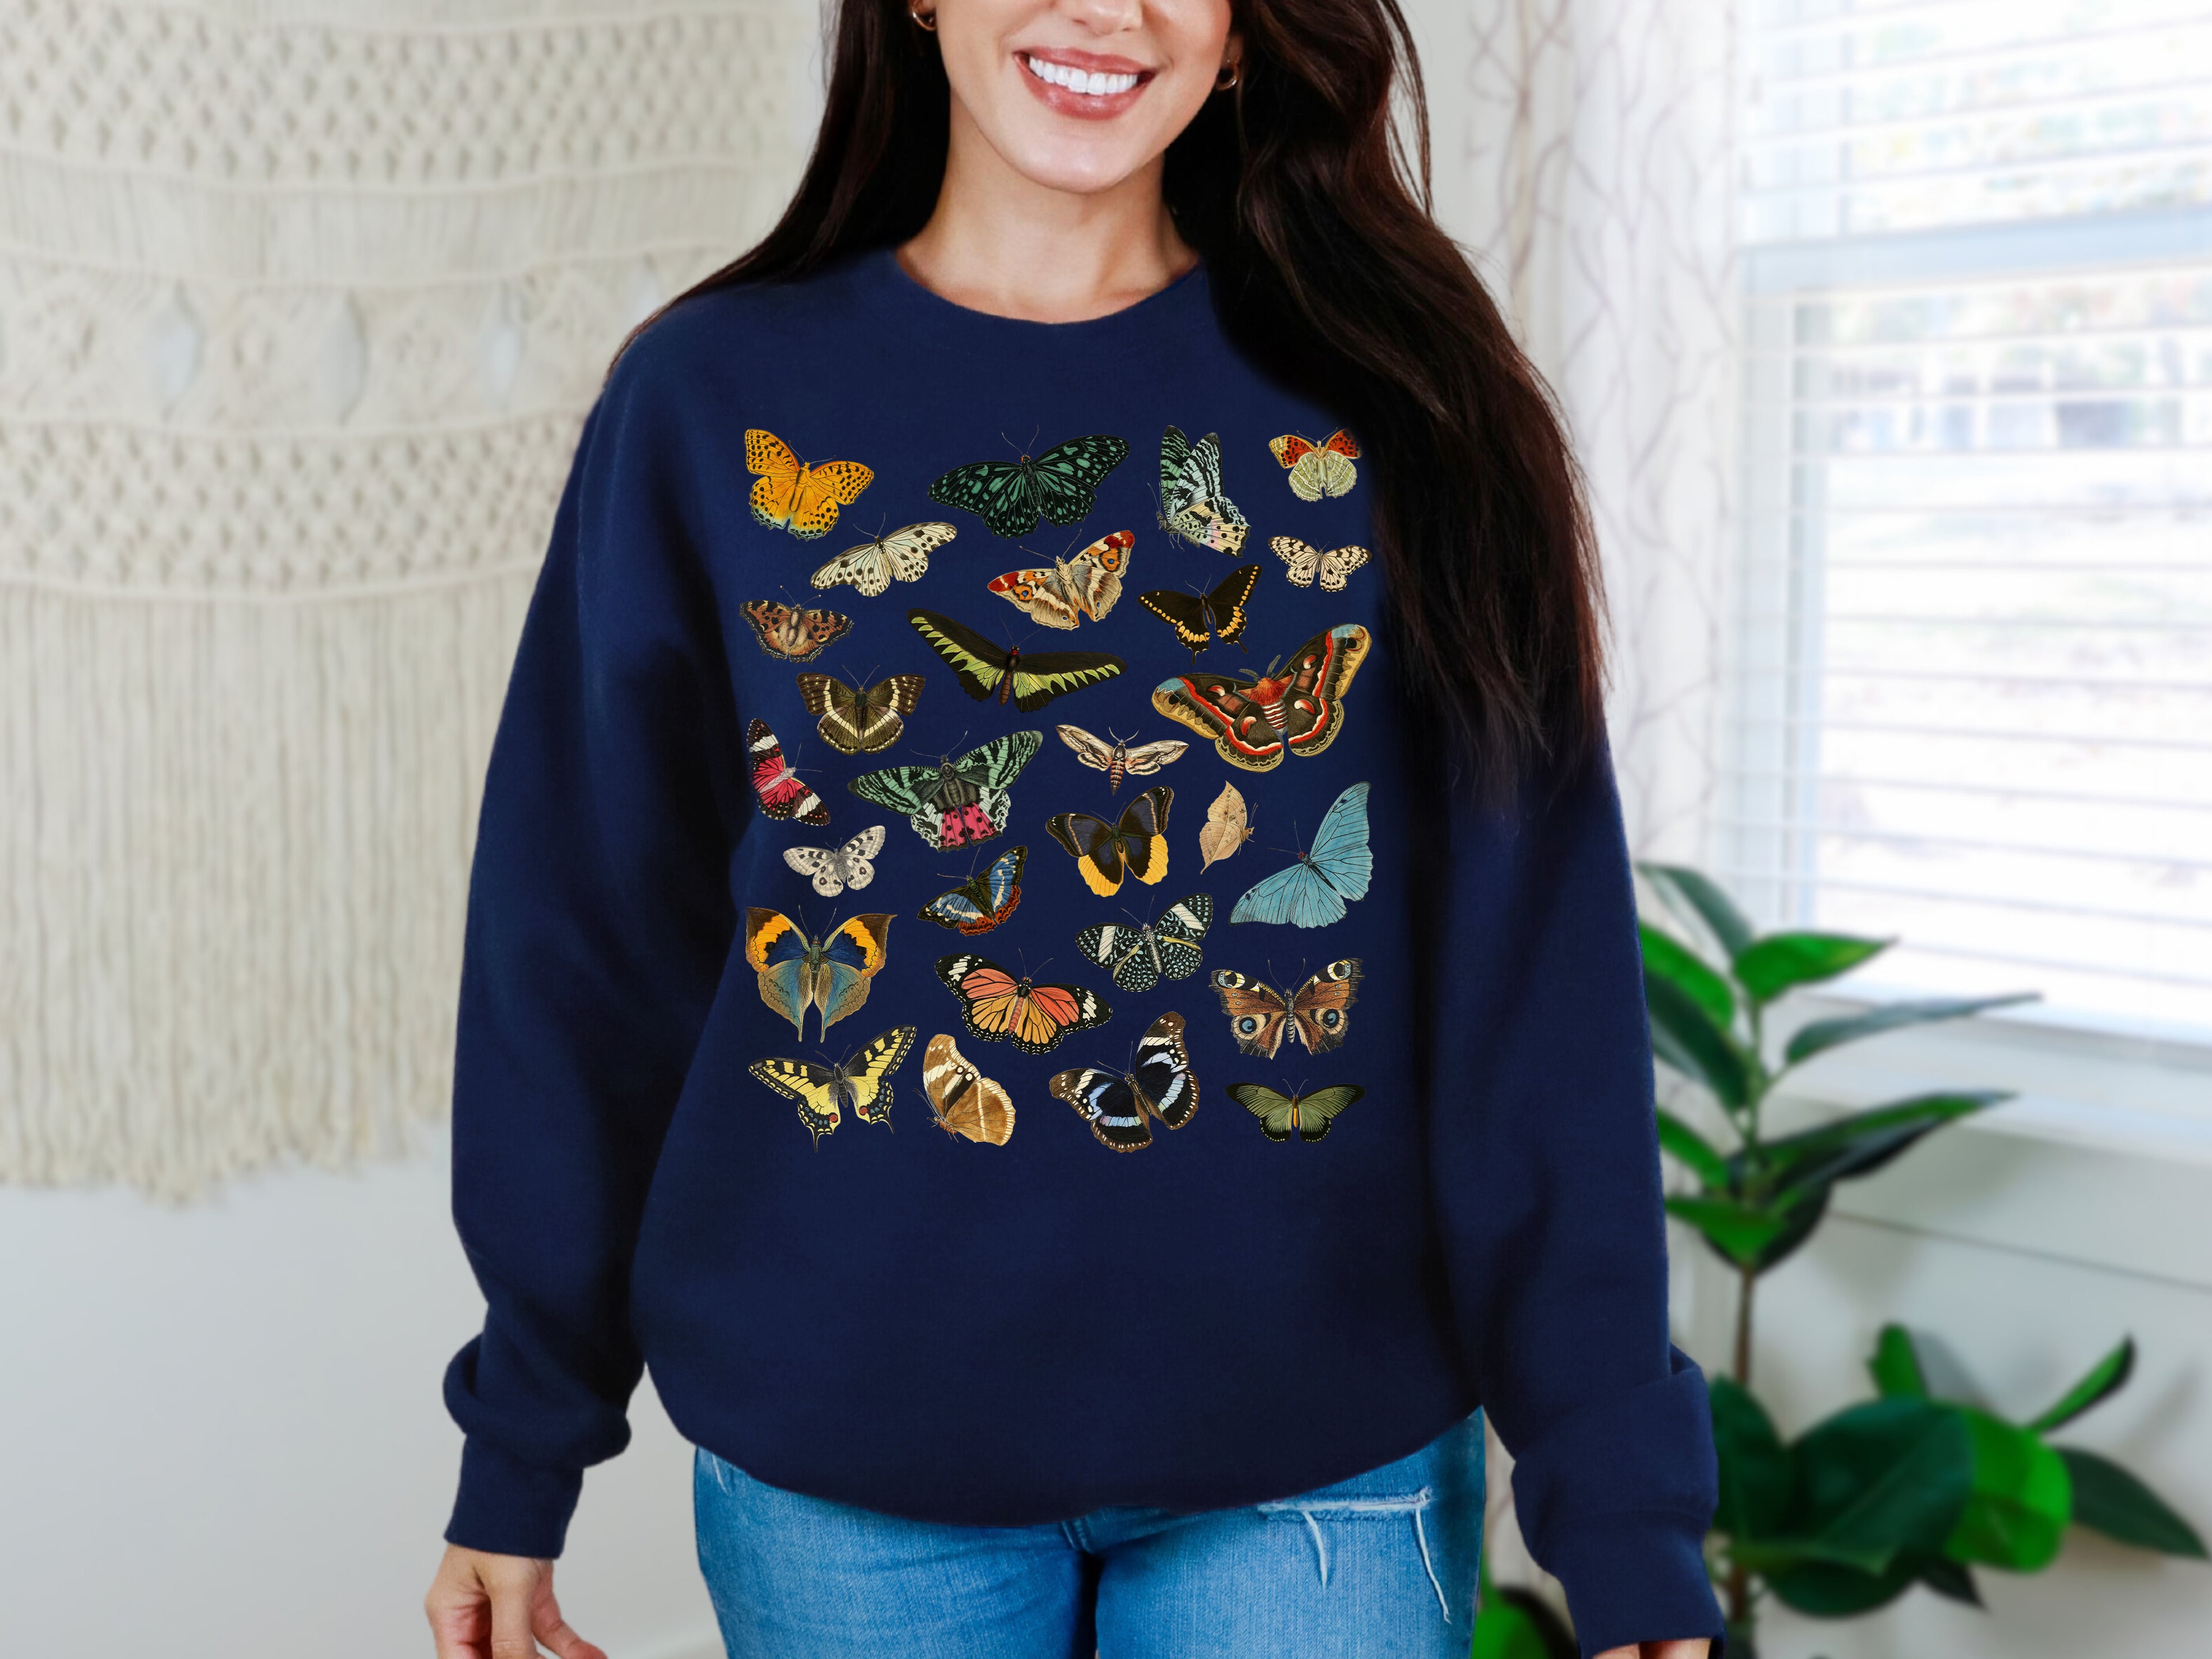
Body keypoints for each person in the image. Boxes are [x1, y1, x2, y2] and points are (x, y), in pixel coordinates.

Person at [422, 0, 1726, 1653]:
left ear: (1254, 28)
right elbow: (587, 946)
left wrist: (1620, 1502)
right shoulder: (708, 400)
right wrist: (522, 1437)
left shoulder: (1405, 396)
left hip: (1318, 1464)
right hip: (847, 1464)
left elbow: (1532, 990)